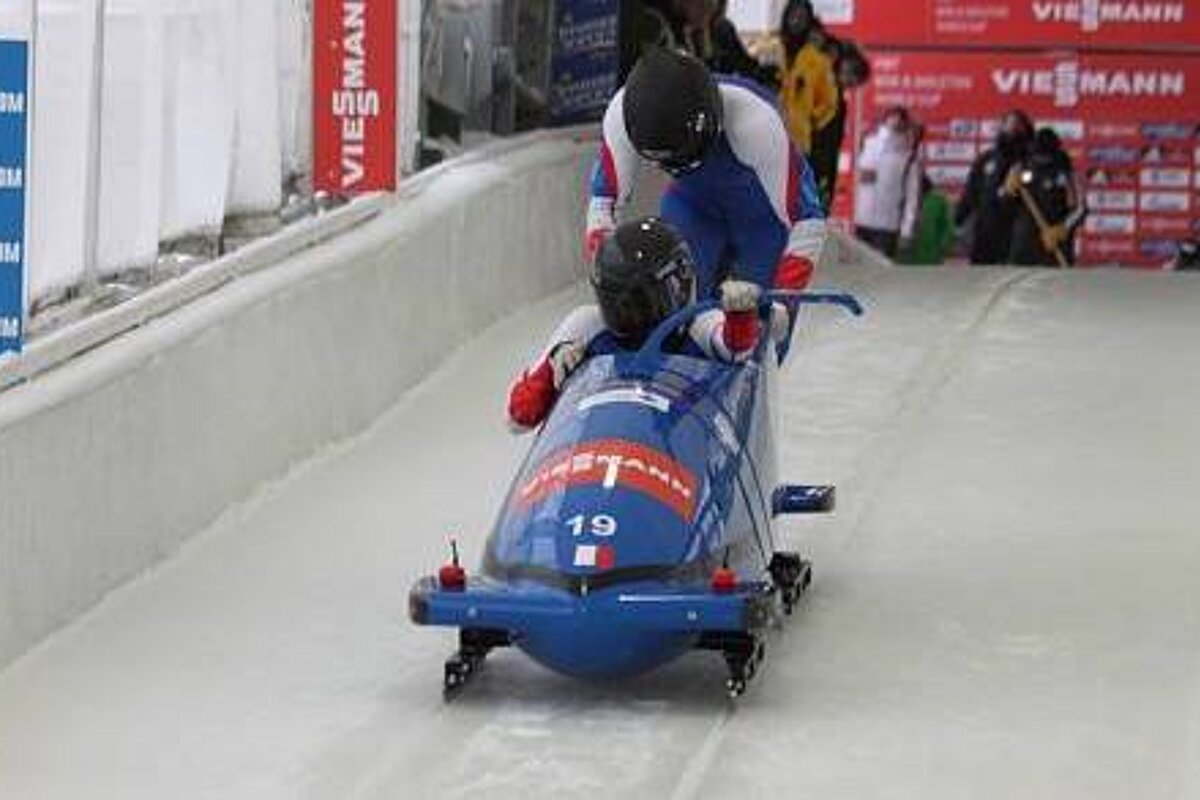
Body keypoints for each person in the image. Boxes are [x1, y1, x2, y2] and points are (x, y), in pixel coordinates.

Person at [585, 47, 825, 349]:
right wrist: (609, 277)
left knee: (758, 330)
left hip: (763, 223)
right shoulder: (621, 116)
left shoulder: (756, 125)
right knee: (668, 308)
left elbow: (807, 219)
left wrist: (784, 304)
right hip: (692, 206)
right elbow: (604, 204)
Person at [509, 218, 763, 430]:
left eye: (640, 303)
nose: (628, 314)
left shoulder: (701, 323)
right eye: (616, 305)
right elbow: (518, 418)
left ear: (677, 287)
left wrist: (740, 316)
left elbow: (737, 349)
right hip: (598, 444)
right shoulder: (585, 325)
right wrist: (550, 372)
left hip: (680, 447)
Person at [956, 110, 1034, 265]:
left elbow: (1036, 194)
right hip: (986, 229)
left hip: (1016, 232)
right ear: (1002, 126)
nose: (1013, 128)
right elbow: (972, 191)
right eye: (1010, 124)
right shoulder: (986, 159)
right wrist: (959, 217)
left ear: (1025, 129)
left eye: (1018, 125)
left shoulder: (1031, 162)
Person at [1005, 127, 1087, 267]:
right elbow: (1007, 201)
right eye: (1037, 156)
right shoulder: (1023, 168)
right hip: (1023, 246)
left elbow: (1080, 209)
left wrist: (1062, 229)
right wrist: (1008, 189)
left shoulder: (1066, 174)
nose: (1040, 160)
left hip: (1055, 247)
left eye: (1045, 157)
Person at [852, 107, 922, 259]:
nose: (894, 123)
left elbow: (912, 198)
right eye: (891, 119)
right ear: (884, 121)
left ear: (905, 124)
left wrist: (906, 230)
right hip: (861, 222)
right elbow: (852, 182)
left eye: (899, 121)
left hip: (887, 227)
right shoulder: (867, 145)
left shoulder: (909, 159)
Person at [810, 39, 870, 209]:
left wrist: (826, 186)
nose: (848, 82)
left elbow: (830, 148)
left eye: (852, 83)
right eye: (850, 75)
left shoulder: (836, 101)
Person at [776, 0, 839, 159]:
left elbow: (829, 102)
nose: (796, 21)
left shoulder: (819, 62)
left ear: (808, 23)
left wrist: (811, 120)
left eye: (802, 18)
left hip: (798, 140)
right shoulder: (768, 49)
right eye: (793, 16)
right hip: (764, 131)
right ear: (785, 17)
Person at [900, 176, 955, 266]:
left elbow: (948, 229)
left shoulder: (939, 202)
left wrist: (942, 248)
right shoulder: (901, 200)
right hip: (905, 259)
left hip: (930, 259)